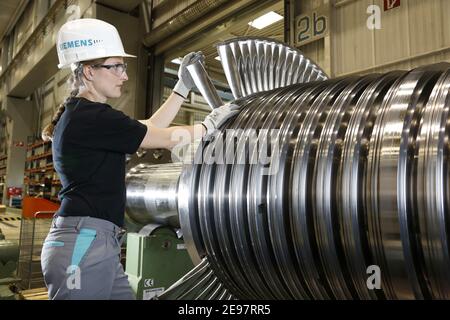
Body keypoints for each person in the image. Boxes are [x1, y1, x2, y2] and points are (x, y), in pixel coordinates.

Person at [40, 18, 239, 300]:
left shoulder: (88, 116)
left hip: (99, 241)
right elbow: (161, 138)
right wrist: (208, 126)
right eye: (116, 66)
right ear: (89, 71)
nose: (124, 75)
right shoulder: (90, 116)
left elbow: (149, 129)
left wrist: (181, 89)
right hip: (83, 244)